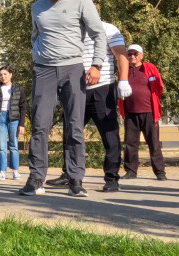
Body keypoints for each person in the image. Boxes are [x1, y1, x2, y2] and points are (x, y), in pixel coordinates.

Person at [20, 0, 106, 198]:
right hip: (44, 70)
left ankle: (75, 179)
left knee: (74, 125)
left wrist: (96, 65)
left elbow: (98, 34)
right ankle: (36, 178)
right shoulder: (37, 7)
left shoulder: (82, 2)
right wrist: (37, 55)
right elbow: (35, 35)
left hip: (73, 68)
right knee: (40, 125)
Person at [46, 21, 132, 192]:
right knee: (70, 132)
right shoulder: (73, 29)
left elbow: (121, 55)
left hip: (102, 88)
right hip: (76, 90)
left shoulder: (107, 29)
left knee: (109, 135)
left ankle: (111, 178)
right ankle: (70, 173)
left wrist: (123, 80)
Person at [118, 44, 166, 180]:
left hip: (149, 112)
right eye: (129, 54)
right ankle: (131, 171)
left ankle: (160, 172)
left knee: (154, 143)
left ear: (141, 55)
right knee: (130, 144)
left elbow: (159, 86)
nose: (132, 56)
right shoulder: (124, 70)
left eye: (135, 54)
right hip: (130, 113)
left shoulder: (149, 67)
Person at [0, 66, 26, 181]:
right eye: (1, 75)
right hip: (0, 118)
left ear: (11, 74)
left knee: (14, 145)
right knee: (2, 146)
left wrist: (22, 124)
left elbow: (23, 107)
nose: (3, 76)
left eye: (5, 74)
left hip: (14, 119)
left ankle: (15, 171)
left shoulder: (18, 89)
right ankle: (2, 171)